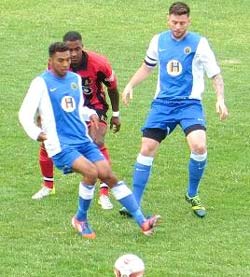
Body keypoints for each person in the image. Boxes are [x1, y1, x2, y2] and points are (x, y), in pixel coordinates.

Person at [19, 42, 160, 239]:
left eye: (68, 60)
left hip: (82, 140)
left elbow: (75, 109)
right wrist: (36, 133)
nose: (66, 64)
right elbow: (24, 114)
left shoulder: (75, 79)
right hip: (60, 145)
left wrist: (91, 113)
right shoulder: (40, 83)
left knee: (108, 174)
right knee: (91, 172)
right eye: (61, 60)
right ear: (50, 61)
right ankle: (80, 219)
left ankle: (142, 221)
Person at [120, 1, 228, 218]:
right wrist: (130, 85)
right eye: (174, 22)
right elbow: (147, 67)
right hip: (163, 104)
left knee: (199, 146)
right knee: (147, 146)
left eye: (182, 22)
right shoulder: (158, 40)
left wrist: (220, 99)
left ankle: (192, 193)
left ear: (189, 21)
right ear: (168, 19)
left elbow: (215, 74)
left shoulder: (199, 43)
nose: (178, 27)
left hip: (189, 104)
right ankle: (135, 203)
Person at [32, 31, 121, 210]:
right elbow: (46, 89)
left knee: (96, 141)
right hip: (65, 109)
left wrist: (116, 114)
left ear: (83, 47)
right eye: (69, 50)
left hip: (95, 107)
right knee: (48, 142)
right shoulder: (57, 65)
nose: (72, 54)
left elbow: (112, 88)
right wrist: (40, 116)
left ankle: (104, 193)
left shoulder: (99, 63)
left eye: (77, 49)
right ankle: (48, 186)